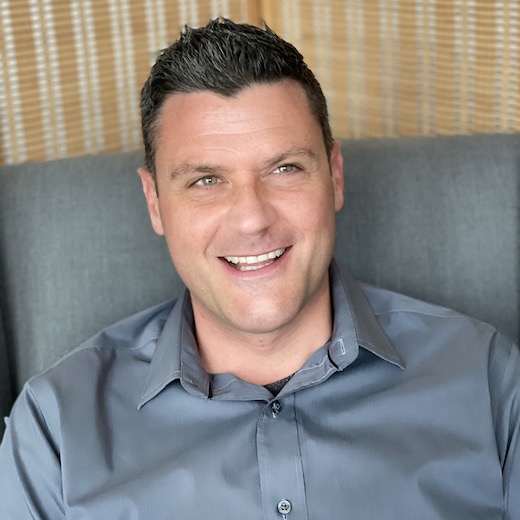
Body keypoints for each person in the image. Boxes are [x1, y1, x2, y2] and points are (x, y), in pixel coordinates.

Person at [0, 17, 519, 519]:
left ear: (335, 176)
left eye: (285, 168)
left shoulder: (486, 379)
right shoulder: (55, 429)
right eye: (206, 181)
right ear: (154, 202)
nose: (252, 219)